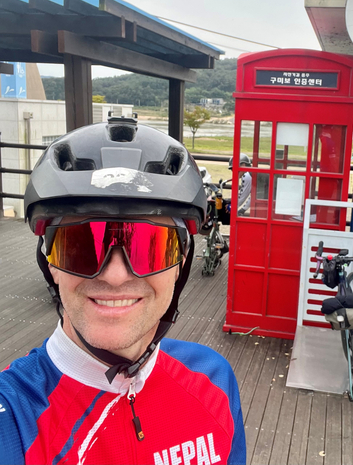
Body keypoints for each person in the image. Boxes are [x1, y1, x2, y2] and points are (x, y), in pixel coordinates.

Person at [0, 116, 246, 465]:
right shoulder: (12, 420)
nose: (115, 276)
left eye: (151, 247)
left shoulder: (215, 380)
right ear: (50, 262)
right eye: (82, 246)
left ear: (182, 265)